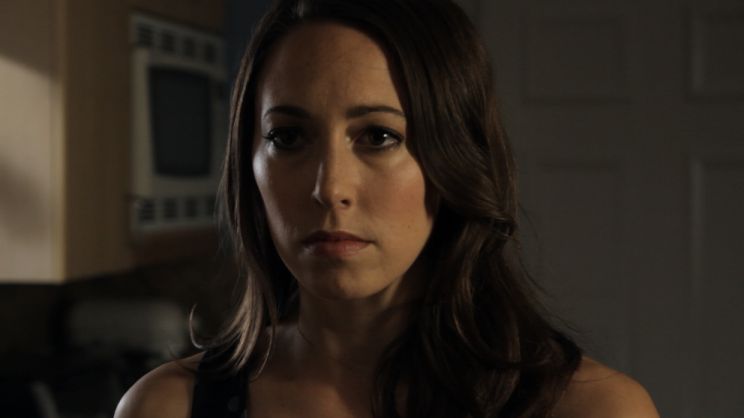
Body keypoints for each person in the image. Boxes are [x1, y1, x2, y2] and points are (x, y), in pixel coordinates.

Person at [115, 0, 660, 417]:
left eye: (378, 136)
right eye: (288, 137)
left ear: (453, 159)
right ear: (249, 164)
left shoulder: (590, 409)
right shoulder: (167, 408)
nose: (330, 188)